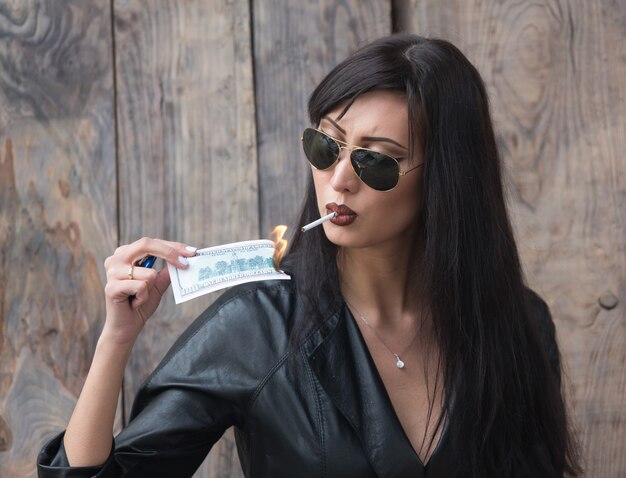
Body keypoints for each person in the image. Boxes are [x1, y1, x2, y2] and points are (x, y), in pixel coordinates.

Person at [37, 33, 581, 477]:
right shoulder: (258, 327)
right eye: (326, 146)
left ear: (444, 181)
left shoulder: (518, 324)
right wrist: (116, 339)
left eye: (377, 162)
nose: (338, 181)